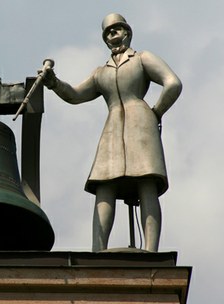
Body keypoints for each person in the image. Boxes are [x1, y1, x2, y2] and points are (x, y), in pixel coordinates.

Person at [42, 13, 182, 252]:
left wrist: (156, 112)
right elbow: (75, 95)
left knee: (146, 183)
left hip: (141, 123)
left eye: (115, 30)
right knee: (104, 183)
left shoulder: (142, 58)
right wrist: (54, 82)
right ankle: (98, 250)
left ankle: (150, 250)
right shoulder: (101, 72)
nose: (111, 35)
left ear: (127, 31)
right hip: (112, 128)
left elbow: (173, 83)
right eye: (107, 32)